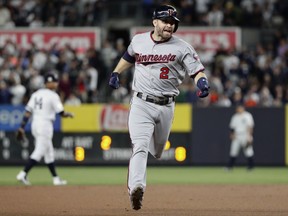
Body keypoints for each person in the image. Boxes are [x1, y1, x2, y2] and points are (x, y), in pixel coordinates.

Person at [108, 5, 210, 210]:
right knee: (140, 146)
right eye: (165, 21)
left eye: (173, 23)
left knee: (158, 150)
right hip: (141, 103)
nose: (169, 26)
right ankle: (136, 188)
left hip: (166, 106)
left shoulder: (182, 47)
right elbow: (128, 57)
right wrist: (116, 72)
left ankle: (151, 159)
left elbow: (197, 71)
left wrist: (202, 83)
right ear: (155, 21)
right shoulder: (138, 40)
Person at [16, 73, 74, 186]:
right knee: (39, 151)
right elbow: (61, 113)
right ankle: (23, 173)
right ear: (50, 83)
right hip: (45, 125)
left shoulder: (36, 94)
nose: (56, 84)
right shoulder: (53, 95)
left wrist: (22, 126)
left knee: (49, 152)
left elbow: (28, 112)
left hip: (35, 124)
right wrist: (69, 114)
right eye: (54, 82)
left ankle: (56, 179)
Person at [226, 104, 255, 170]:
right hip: (237, 135)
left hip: (245, 135)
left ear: (243, 108)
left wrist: (250, 136)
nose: (238, 109)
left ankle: (251, 166)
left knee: (248, 151)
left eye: (240, 108)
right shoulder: (235, 116)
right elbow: (232, 127)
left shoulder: (247, 115)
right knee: (233, 151)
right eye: (238, 108)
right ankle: (230, 167)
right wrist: (232, 134)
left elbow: (250, 126)